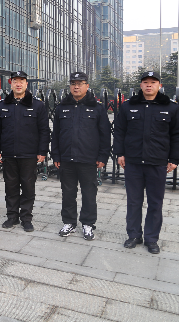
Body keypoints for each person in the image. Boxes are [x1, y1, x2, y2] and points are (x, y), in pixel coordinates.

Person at [113, 71, 179, 254]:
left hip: (157, 162)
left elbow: (177, 134)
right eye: (145, 82)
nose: (149, 85)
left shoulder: (170, 107)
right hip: (133, 162)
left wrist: (175, 159)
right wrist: (120, 153)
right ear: (141, 85)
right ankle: (134, 235)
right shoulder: (129, 106)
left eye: (153, 82)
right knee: (133, 201)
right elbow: (119, 131)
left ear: (159, 85)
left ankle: (151, 239)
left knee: (155, 203)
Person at [51, 72, 111, 240]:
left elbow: (105, 134)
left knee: (89, 193)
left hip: (88, 159)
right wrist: (56, 155)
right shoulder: (62, 107)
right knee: (68, 193)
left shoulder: (97, 108)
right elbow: (56, 134)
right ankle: (69, 222)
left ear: (87, 86)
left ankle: (88, 223)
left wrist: (103, 156)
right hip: (66, 158)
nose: (76, 86)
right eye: (73, 83)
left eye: (80, 83)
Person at [0, 71, 50, 232]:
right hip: (9, 154)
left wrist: (42, 151)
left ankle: (26, 218)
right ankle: (12, 216)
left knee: (28, 187)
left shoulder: (37, 105)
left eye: (21, 81)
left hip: (29, 154)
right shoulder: (2, 105)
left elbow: (44, 130)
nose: (18, 84)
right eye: (15, 81)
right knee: (10, 187)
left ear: (26, 84)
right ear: (10, 84)